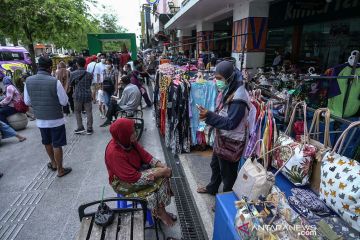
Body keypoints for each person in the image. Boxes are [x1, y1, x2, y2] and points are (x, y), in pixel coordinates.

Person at [105, 118, 176, 226]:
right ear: (124, 135)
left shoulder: (127, 141)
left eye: (134, 130)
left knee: (163, 175)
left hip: (134, 172)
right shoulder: (114, 153)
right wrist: (160, 172)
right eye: (132, 132)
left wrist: (162, 166)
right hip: (122, 182)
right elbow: (134, 178)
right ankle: (159, 212)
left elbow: (145, 155)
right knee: (156, 184)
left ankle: (161, 210)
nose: (135, 133)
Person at [196, 61, 250, 195]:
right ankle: (212, 188)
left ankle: (225, 202)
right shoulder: (230, 88)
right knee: (215, 166)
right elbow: (224, 111)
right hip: (223, 137)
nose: (217, 81)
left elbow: (231, 123)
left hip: (232, 141)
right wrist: (210, 114)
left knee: (228, 175)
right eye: (216, 78)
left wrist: (209, 116)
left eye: (219, 78)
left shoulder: (239, 97)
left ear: (229, 77)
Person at [24, 57, 72, 177]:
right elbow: (64, 102)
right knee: (57, 144)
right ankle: (60, 170)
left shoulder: (28, 81)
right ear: (50, 68)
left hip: (41, 120)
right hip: (56, 119)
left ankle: (53, 163)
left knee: (47, 142)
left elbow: (27, 102)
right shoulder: (54, 81)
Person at [69, 57, 94, 135]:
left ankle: (80, 127)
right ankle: (89, 129)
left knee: (77, 111)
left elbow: (71, 84)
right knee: (89, 112)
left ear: (77, 64)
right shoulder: (89, 74)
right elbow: (89, 84)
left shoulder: (73, 74)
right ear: (84, 64)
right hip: (87, 95)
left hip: (77, 95)